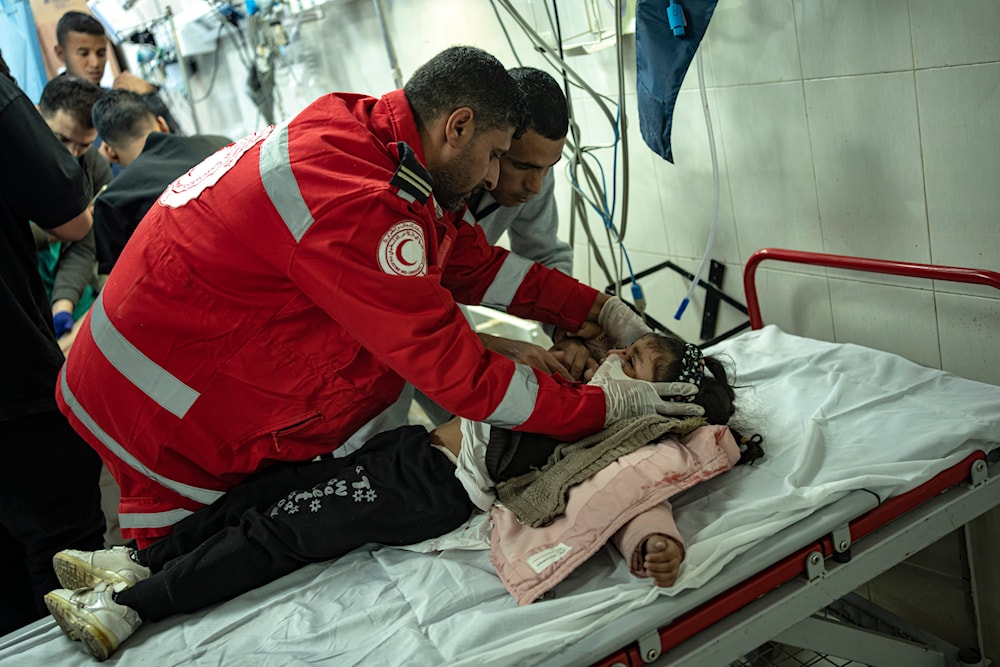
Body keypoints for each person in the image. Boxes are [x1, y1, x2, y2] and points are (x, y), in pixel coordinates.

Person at [56, 45, 703, 549]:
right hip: (159, 409)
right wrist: (597, 406)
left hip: (169, 366)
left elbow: (472, 264)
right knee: (198, 567)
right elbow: (466, 379)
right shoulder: (366, 202)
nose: (495, 179)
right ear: (458, 126)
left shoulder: (371, 138)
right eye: (496, 158)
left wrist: (595, 310)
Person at [43, 331, 750, 660]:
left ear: (659, 398)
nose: (616, 354)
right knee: (269, 491)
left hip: (428, 487)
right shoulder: (584, 390)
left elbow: (633, 491)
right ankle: (137, 562)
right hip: (412, 451)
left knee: (280, 531)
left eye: (634, 362)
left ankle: (129, 611)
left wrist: (658, 541)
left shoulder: (624, 430)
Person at [341, 66, 585, 447]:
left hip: (441, 313)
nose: (535, 187)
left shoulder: (531, 177)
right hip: (374, 334)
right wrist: (486, 347)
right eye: (519, 165)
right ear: (483, 138)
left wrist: (571, 331)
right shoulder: (403, 192)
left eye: (546, 168)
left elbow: (540, 256)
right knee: (376, 443)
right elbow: (402, 328)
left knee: (483, 436)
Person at [0, 51, 106, 636]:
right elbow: (73, 218)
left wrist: (65, 307)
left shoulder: (101, 166)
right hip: (13, 387)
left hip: (47, 330)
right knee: (70, 559)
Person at [89, 89, 232, 273]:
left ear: (110, 153)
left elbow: (123, 287)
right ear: (162, 124)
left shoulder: (113, 201)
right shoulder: (222, 146)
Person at [32, 75, 111, 340]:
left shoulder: (94, 169)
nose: (71, 154)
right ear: (36, 115)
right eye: (62, 139)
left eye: (84, 145)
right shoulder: (12, 162)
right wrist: (55, 231)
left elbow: (84, 243)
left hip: (71, 293)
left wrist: (62, 307)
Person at [54, 11, 181, 134]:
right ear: (60, 54)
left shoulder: (119, 102)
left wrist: (150, 96)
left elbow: (172, 143)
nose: (95, 63)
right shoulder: (52, 111)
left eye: (101, 53)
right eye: (83, 53)